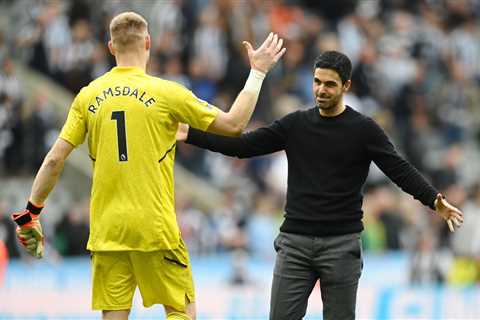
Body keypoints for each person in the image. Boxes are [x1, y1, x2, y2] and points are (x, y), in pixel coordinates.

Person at [10, 11, 285, 320]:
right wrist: (258, 72)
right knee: (181, 312)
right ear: (149, 43)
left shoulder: (88, 97)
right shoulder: (167, 93)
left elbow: (54, 158)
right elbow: (234, 124)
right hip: (156, 230)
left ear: (111, 47)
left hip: (108, 231)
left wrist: (31, 213)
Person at [177, 50, 464, 320]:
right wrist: (190, 134)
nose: (320, 89)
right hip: (294, 244)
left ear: (346, 86)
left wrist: (434, 200)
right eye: (316, 81)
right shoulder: (296, 125)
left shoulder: (364, 129)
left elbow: (399, 169)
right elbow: (242, 146)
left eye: (329, 84)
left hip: (341, 246)